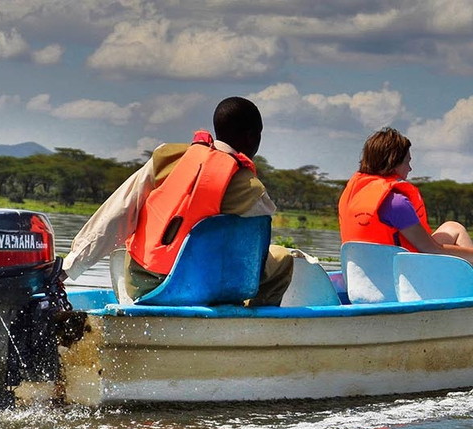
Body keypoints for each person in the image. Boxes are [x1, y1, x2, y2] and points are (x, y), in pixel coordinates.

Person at [62, 96, 293, 306]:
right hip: (203, 288)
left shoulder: (166, 158)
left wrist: (69, 267)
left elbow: (118, 213)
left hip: (144, 285)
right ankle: (247, 327)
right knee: (282, 260)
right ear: (252, 136)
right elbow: (256, 254)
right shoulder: (251, 189)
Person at [339, 127, 473, 264]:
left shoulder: (352, 196)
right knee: (457, 233)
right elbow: (431, 249)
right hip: (396, 277)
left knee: (453, 228)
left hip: (361, 275)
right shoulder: (397, 203)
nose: (410, 168)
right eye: (407, 162)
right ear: (393, 163)